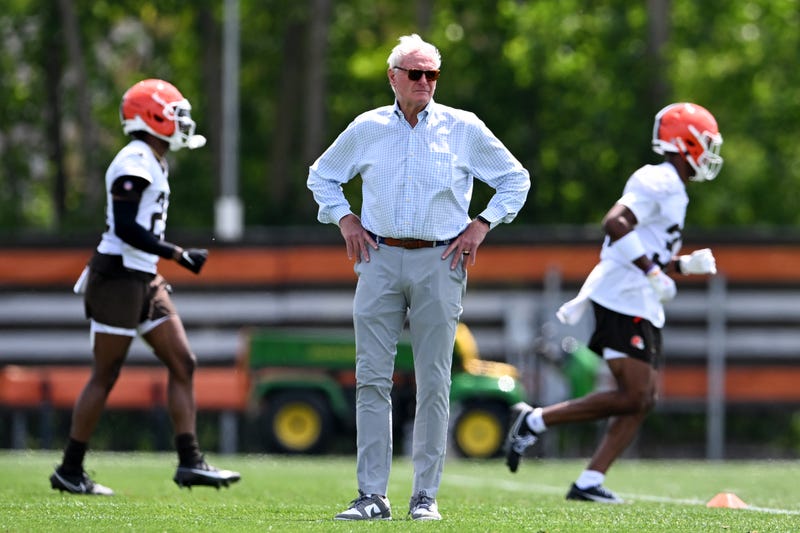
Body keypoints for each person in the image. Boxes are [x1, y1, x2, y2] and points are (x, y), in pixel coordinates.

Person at [307, 34, 530, 521]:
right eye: (416, 73)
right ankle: (372, 496)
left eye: (432, 73)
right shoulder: (367, 127)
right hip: (379, 257)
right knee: (371, 378)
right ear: (393, 77)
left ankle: (424, 497)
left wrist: (482, 224)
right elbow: (321, 175)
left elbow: (516, 179)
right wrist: (344, 219)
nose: (425, 81)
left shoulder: (463, 127)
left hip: (440, 261)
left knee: (435, 380)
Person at [504, 102, 723, 503]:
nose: (709, 154)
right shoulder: (659, 179)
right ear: (686, 142)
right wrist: (653, 272)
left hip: (638, 299)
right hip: (624, 297)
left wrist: (681, 265)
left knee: (643, 398)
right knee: (635, 395)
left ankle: (589, 481)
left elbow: (642, 248)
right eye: (706, 143)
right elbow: (615, 224)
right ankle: (534, 419)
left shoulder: (674, 188)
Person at [49, 79, 241, 495]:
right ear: (151, 116)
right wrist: (177, 254)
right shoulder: (134, 159)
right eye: (174, 114)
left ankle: (190, 461)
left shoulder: (154, 160)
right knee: (106, 374)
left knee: (183, 362)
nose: (181, 122)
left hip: (144, 277)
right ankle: (70, 469)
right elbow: (125, 227)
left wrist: (165, 259)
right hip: (117, 278)